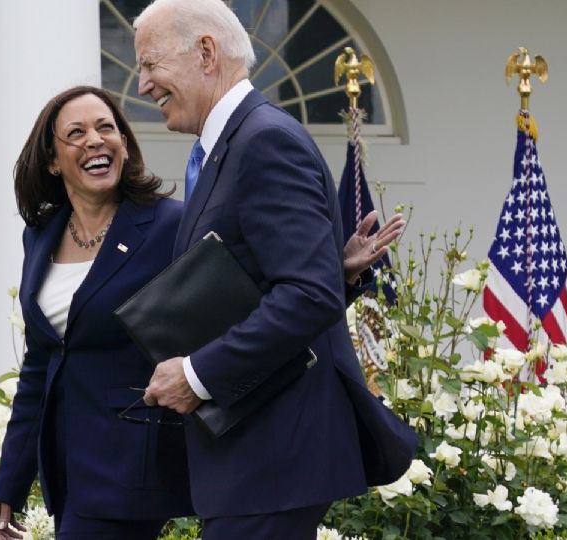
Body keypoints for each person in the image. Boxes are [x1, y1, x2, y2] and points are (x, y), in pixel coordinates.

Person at [133, 1, 418, 538]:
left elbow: (307, 297)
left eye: (150, 65)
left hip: (272, 456)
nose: (143, 85)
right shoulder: (226, 147)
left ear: (206, 52)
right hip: (250, 459)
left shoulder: (264, 141)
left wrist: (197, 374)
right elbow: (282, 281)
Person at [0, 86, 193, 540]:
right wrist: (11, 481)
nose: (95, 140)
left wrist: (337, 273)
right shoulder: (40, 236)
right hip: (68, 470)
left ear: (124, 142)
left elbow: (234, 292)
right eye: (76, 133)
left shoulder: (168, 224)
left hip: (132, 464)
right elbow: (40, 365)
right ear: (53, 161)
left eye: (106, 128)